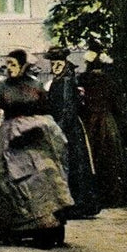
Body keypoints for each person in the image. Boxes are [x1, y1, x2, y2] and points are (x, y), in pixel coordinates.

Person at [0, 49, 75, 247]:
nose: (9, 68)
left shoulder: (36, 85)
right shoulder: (1, 87)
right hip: (9, 138)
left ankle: (45, 227)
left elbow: (46, 110)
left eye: (13, 64)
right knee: (11, 179)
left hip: (33, 137)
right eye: (7, 64)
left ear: (23, 66)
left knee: (45, 172)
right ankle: (14, 229)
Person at [44, 47, 100, 218]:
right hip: (67, 127)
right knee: (74, 164)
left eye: (58, 64)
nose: (55, 67)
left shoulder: (66, 81)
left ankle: (78, 204)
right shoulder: (61, 79)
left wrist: (58, 129)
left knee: (74, 164)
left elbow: (67, 108)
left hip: (69, 129)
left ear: (65, 63)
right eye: (53, 64)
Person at [79, 40, 127, 206]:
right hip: (107, 122)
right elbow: (118, 105)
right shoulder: (110, 79)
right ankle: (111, 196)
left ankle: (97, 195)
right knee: (110, 157)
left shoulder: (84, 79)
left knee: (94, 156)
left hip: (91, 122)